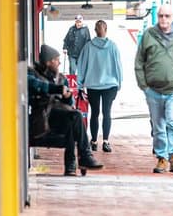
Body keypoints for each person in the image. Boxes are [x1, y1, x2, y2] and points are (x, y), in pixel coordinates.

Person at [134, 3, 173, 173]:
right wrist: (143, 85)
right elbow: (139, 62)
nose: (164, 19)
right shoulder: (148, 35)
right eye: (161, 16)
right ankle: (162, 158)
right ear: (157, 17)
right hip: (153, 90)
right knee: (158, 126)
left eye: (167, 16)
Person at [28, 44, 104, 176]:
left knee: (72, 120)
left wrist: (68, 97)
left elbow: (69, 104)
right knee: (74, 116)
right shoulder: (32, 73)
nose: (59, 63)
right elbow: (35, 84)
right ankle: (82, 158)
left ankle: (73, 165)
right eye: (57, 60)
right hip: (41, 117)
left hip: (58, 119)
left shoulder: (61, 78)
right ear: (49, 61)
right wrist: (55, 89)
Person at [76, 19, 123, 152]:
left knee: (95, 113)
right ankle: (106, 142)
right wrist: (119, 83)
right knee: (107, 113)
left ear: (95, 31)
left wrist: (80, 85)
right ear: (106, 30)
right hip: (110, 85)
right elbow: (118, 66)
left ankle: (94, 141)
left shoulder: (88, 47)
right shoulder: (113, 46)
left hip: (93, 85)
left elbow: (81, 66)